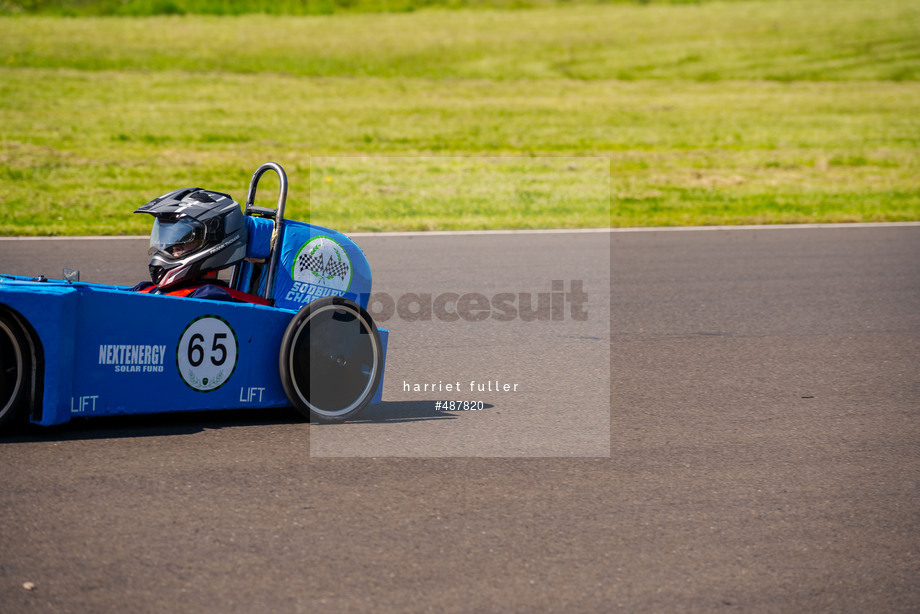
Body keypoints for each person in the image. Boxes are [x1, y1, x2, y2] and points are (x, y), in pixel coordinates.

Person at [132, 187, 270, 305]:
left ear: (212, 240)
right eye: (169, 239)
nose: (173, 247)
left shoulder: (209, 297)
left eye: (183, 240)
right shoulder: (145, 289)